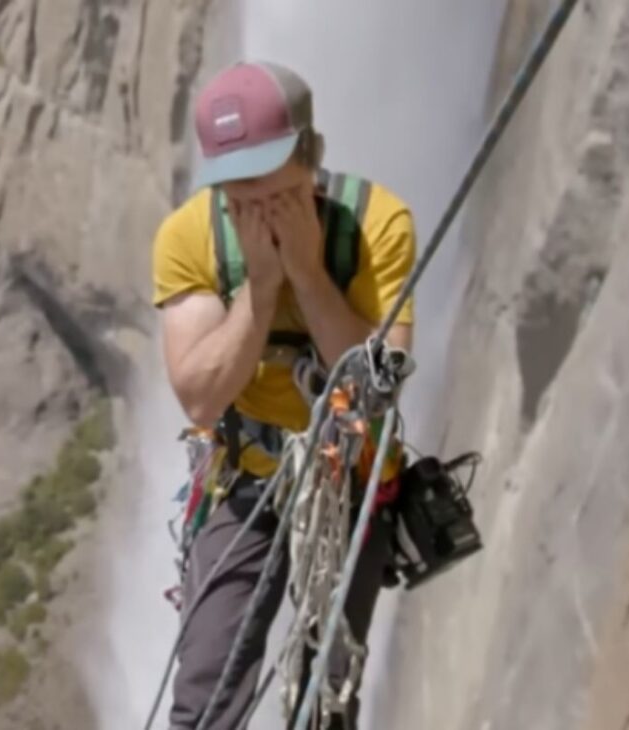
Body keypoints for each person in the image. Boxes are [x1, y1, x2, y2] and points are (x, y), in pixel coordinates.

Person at [151, 60, 417, 729]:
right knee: (204, 691)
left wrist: (304, 269)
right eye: (232, 184)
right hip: (242, 478)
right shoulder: (189, 237)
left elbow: (373, 390)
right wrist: (261, 290)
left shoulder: (377, 225)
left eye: (267, 177)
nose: (250, 197)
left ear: (309, 155)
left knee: (324, 698)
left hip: (346, 480)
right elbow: (200, 399)